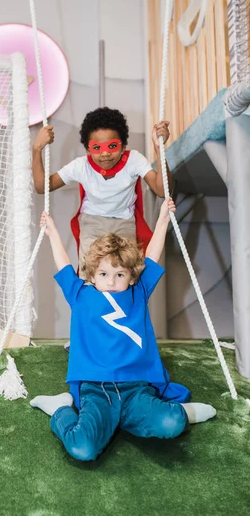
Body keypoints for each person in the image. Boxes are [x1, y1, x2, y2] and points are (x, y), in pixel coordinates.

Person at [30, 199, 216, 462]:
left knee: (172, 423)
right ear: (92, 275)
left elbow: (151, 256)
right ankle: (61, 409)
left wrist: (163, 218)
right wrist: (51, 231)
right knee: (82, 448)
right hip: (96, 389)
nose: (112, 281)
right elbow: (63, 263)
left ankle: (166, 413)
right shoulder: (80, 294)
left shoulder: (138, 293)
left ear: (131, 276)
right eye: (104, 274)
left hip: (136, 388)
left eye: (119, 275)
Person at [32, 107, 172, 273]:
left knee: (128, 272)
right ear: (87, 149)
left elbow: (161, 190)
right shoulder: (81, 166)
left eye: (112, 146)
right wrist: (37, 149)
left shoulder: (133, 160)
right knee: (90, 272)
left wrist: (158, 148)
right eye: (97, 147)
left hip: (124, 222)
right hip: (92, 222)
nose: (105, 153)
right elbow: (42, 187)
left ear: (123, 146)